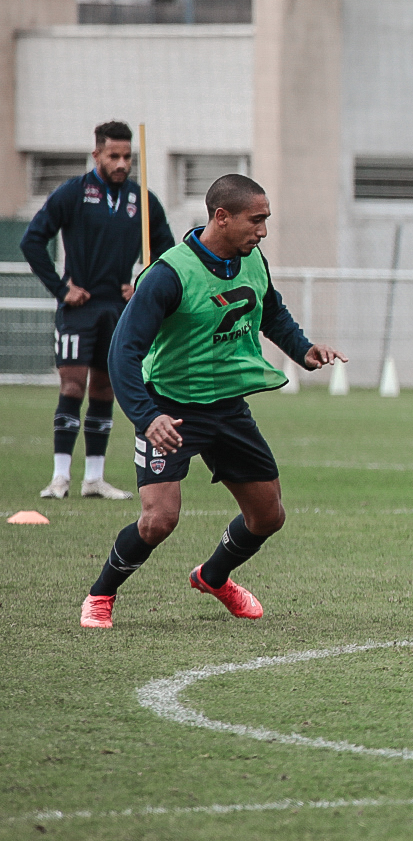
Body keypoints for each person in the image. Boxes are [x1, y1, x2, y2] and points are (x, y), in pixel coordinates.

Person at [79, 174, 344, 629]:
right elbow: (123, 353)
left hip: (227, 407)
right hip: (171, 410)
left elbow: (271, 312)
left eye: (265, 220)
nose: (263, 231)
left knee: (268, 515)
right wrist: (148, 416)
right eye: (255, 220)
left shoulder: (252, 260)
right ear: (221, 217)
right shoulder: (169, 274)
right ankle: (101, 594)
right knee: (159, 520)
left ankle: (213, 576)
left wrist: (304, 350)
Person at [21, 120, 174, 501]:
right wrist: (61, 289)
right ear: (97, 155)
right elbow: (32, 240)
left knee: (105, 389)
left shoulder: (143, 200)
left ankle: (94, 479)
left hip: (120, 312)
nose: (122, 163)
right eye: (114, 156)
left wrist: (142, 282)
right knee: (73, 386)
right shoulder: (73, 193)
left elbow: (168, 253)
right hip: (80, 309)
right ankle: (60, 477)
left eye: (128, 157)